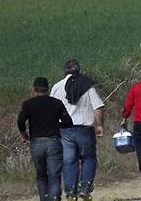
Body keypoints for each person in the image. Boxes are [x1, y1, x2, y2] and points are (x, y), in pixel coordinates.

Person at [50, 59, 105, 200]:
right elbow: (98, 106)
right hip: (84, 128)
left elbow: (52, 109)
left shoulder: (57, 87)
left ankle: (70, 192)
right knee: (88, 159)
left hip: (64, 130)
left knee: (69, 161)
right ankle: (85, 189)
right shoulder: (87, 84)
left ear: (64, 71)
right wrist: (99, 125)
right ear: (78, 70)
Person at [18, 77, 73, 201]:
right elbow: (68, 122)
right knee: (54, 175)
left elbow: (20, 121)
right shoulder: (56, 103)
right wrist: (57, 125)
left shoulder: (28, 104)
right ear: (47, 89)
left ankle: (44, 198)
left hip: (36, 143)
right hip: (53, 141)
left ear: (34, 89)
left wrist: (24, 135)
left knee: (41, 175)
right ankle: (53, 198)